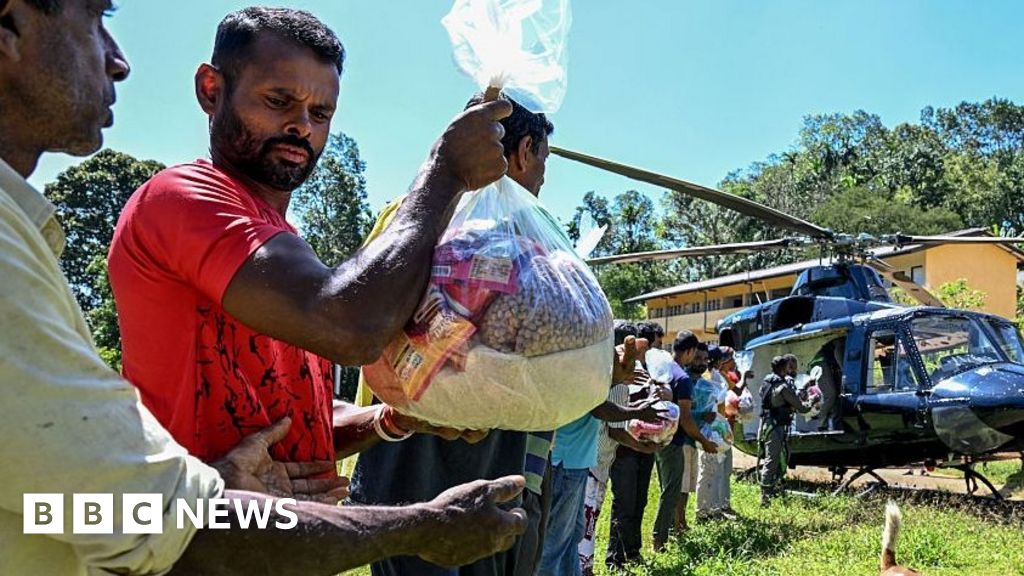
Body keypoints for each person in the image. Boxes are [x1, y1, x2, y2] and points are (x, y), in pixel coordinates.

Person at [0, 2, 525, 574]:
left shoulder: (290, 254)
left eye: (320, 112)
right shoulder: (184, 198)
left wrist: (390, 420)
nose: (302, 126)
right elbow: (349, 327)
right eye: (278, 102)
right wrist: (445, 174)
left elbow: (282, 420)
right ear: (211, 90)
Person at [348, 92, 556, 576]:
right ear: (524, 151)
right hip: (423, 441)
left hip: (427, 442)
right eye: (543, 162)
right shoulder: (516, 236)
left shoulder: (408, 213)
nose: (543, 179)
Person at [539, 334, 665, 576]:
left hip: (576, 463)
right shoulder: (584, 374)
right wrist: (637, 411)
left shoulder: (594, 375)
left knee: (573, 537)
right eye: (619, 361)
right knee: (555, 543)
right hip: (565, 462)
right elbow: (599, 409)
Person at [578, 322, 662, 576]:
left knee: (583, 523)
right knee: (586, 524)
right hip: (593, 464)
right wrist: (643, 446)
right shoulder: (619, 384)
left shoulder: (594, 375)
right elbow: (615, 429)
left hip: (588, 462)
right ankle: (583, 569)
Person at [605, 320, 666, 568]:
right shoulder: (613, 373)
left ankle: (632, 551)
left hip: (643, 444)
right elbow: (615, 420)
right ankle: (615, 557)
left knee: (639, 501)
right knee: (625, 502)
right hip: (623, 449)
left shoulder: (644, 370)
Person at [651, 334, 717, 551]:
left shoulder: (662, 369)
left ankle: (667, 531)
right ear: (689, 351)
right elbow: (686, 418)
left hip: (656, 438)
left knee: (667, 488)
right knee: (672, 491)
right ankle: (659, 540)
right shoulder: (683, 378)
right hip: (675, 441)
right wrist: (704, 441)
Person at [759, 354, 814, 506]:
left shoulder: (767, 382)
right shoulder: (783, 387)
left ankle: (774, 488)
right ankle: (765, 496)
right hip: (776, 426)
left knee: (777, 458)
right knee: (773, 459)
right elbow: (802, 407)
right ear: (784, 369)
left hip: (768, 424)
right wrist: (812, 400)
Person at [694, 345, 736, 521]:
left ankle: (714, 509)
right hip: (706, 428)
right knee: (707, 471)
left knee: (716, 471)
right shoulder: (705, 378)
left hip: (715, 427)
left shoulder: (715, 376)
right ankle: (703, 512)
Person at [810, 337, 845, 431]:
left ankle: (832, 425)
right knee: (831, 395)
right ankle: (819, 419)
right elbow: (838, 351)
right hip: (820, 362)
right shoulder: (841, 341)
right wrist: (844, 370)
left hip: (828, 364)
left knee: (837, 397)